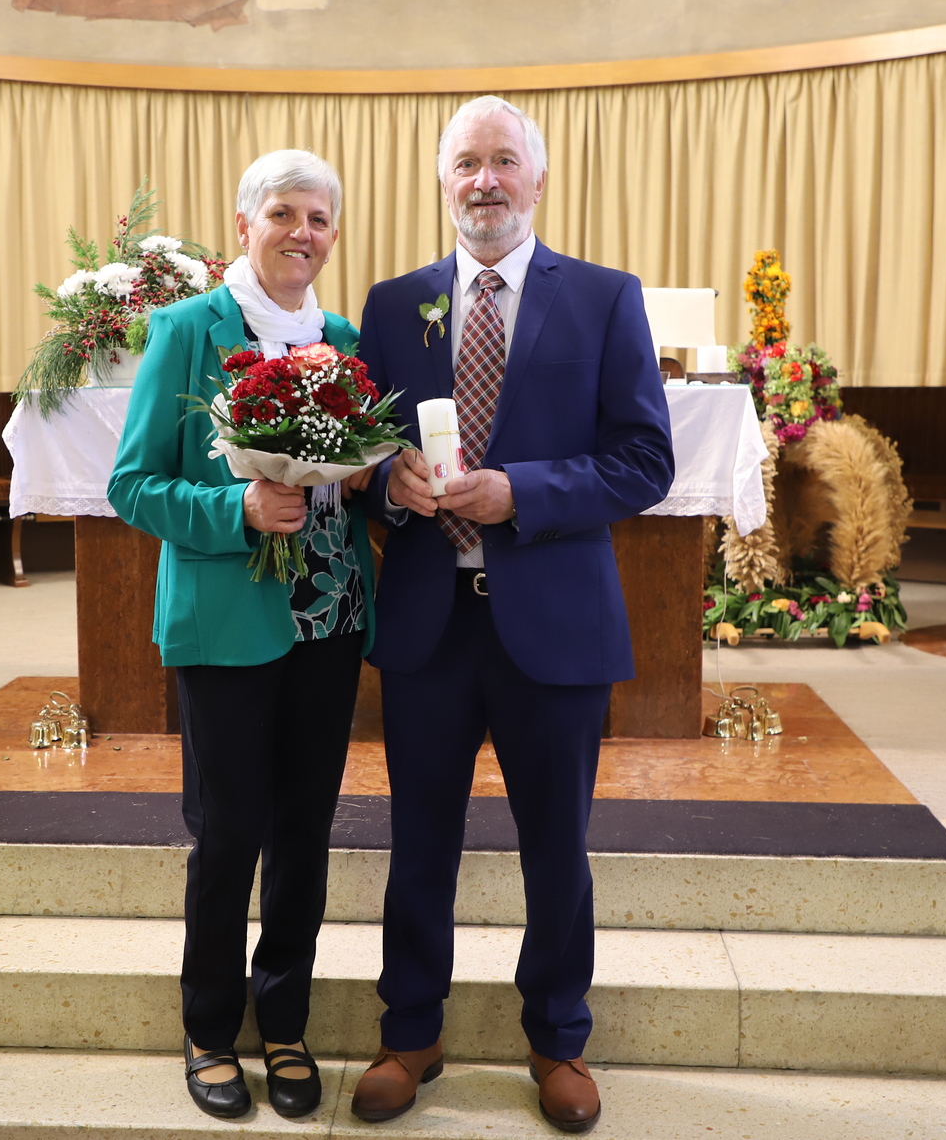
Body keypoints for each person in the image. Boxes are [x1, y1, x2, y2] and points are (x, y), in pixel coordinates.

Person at [350, 97, 675, 1132]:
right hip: (429, 621)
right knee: (419, 843)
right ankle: (411, 1031)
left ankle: (559, 1038)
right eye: (465, 163)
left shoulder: (605, 298)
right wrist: (388, 483)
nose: (483, 180)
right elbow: (359, 456)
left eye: (502, 161)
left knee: (556, 848)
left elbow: (646, 461)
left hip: (554, 622)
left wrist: (519, 492)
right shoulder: (394, 305)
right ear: (442, 180)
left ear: (538, 178)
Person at [108, 150, 378, 1121]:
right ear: (243, 224)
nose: (302, 232)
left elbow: (358, 474)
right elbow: (132, 484)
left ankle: (286, 1022)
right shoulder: (189, 329)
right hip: (227, 623)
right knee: (229, 833)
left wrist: (363, 475)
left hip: (329, 617)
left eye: (319, 218)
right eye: (283, 213)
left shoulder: (342, 339)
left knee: (305, 831)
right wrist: (239, 509)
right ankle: (210, 1028)